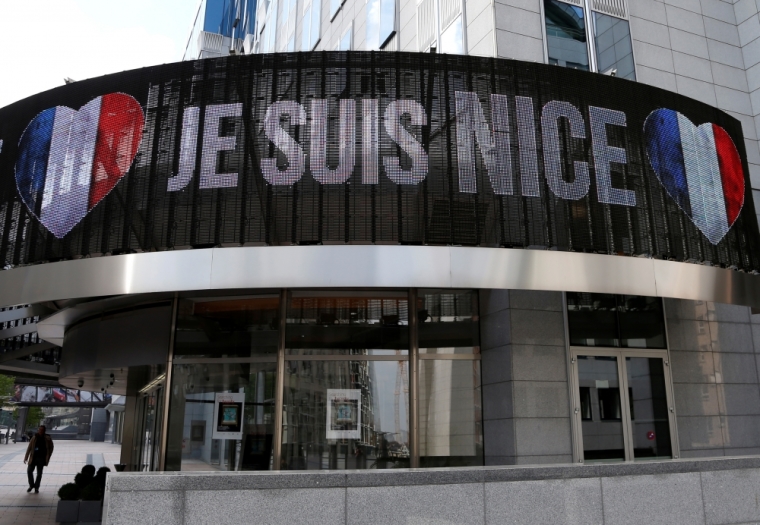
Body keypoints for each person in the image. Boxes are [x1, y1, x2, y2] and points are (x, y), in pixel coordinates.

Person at [23, 425, 54, 494]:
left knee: (39, 473)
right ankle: (31, 485)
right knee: (29, 471)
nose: (40, 431)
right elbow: (29, 448)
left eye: (42, 430)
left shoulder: (47, 438)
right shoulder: (34, 437)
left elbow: (51, 447)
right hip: (33, 457)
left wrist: (48, 456)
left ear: (44, 431)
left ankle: (36, 487)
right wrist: (26, 457)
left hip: (41, 458)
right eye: (39, 429)